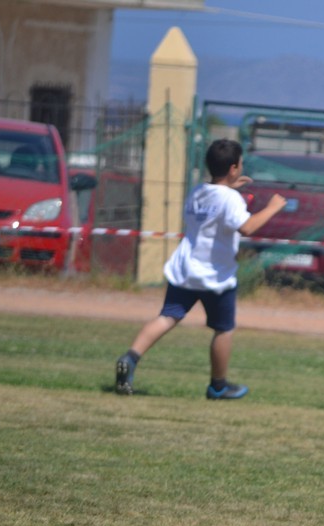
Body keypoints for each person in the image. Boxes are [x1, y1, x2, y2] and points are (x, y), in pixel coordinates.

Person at [114, 139, 287, 399]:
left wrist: (229, 188)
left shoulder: (198, 191)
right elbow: (247, 227)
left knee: (167, 317)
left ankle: (130, 357)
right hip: (215, 276)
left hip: (185, 269)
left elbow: (213, 205)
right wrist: (272, 208)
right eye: (240, 164)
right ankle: (218, 386)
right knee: (223, 329)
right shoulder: (231, 198)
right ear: (233, 168)